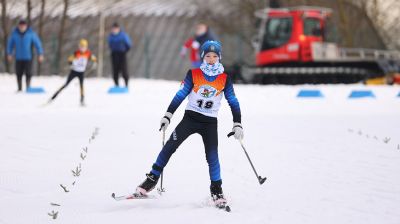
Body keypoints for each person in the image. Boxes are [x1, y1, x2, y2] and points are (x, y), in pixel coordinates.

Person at [135, 41, 243, 208]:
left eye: (215, 56)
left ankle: (217, 190)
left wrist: (237, 124)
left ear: (219, 57)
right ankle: (151, 179)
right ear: (203, 57)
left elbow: (233, 102)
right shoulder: (193, 74)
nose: (212, 59)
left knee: (212, 157)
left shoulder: (225, 79)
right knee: (170, 146)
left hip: (209, 123)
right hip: (190, 119)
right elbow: (180, 94)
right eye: (208, 56)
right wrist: (168, 115)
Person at [48, 39, 97, 106]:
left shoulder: (88, 53)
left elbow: (93, 58)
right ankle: (54, 95)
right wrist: (71, 63)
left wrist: (94, 62)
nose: (82, 48)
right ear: (79, 46)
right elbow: (69, 59)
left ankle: (82, 100)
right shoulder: (76, 53)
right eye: (81, 46)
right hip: (74, 71)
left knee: (81, 86)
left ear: (86, 47)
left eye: (84, 47)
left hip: (81, 72)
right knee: (66, 84)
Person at [7, 19, 44, 92]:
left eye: (23, 26)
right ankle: (19, 88)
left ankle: (28, 87)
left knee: (28, 73)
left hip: (28, 57)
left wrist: (40, 54)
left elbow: (38, 44)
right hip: (18, 57)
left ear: (26, 26)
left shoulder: (31, 34)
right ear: (18, 26)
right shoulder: (14, 34)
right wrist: (9, 53)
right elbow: (10, 45)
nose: (22, 27)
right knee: (18, 73)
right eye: (20, 26)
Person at [108, 23, 132, 88]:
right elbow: (110, 45)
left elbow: (128, 44)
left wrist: (124, 50)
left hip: (122, 54)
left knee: (124, 70)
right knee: (115, 70)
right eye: (113, 29)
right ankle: (116, 85)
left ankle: (126, 85)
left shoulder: (123, 35)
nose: (114, 30)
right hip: (114, 54)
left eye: (115, 29)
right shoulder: (111, 36)